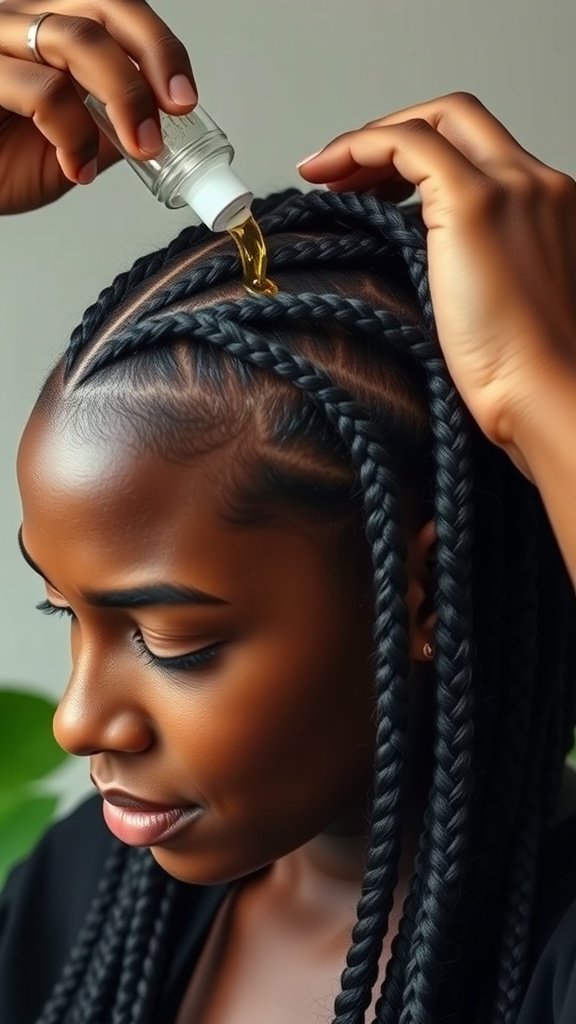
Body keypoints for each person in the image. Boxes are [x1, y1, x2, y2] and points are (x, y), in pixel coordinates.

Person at [2, 4, 576, 1024]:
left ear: (423, 593)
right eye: (65, 614)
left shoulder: (548, 959)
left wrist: (541, 393)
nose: (78, 718)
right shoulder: (78, 889)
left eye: (172, 638)